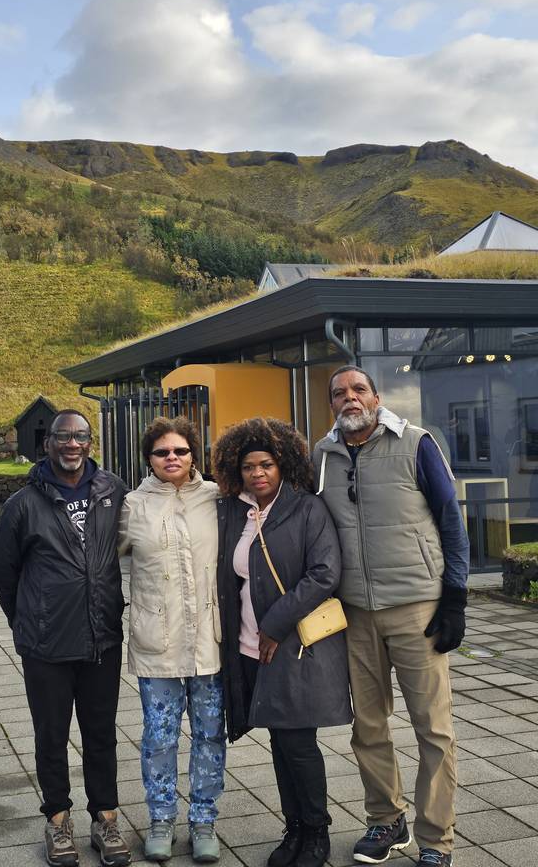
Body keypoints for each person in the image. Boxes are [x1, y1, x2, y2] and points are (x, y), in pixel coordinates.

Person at [313, 366, 470, 867]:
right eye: (339, 393)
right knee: (369, 727)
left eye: (358, 389)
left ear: (376, 397)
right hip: (355, 612)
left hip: (416, 607)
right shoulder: (322, 456)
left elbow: (451, 518)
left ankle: (435, 839)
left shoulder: (417, 443)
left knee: (434, 730)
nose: (349, 398)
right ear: (332, 404)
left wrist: (456, 597)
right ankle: (386, 819)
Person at [0, 409, 132, 867]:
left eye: (81, 437)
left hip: (101, 639)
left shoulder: (112, 492)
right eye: (63, 437)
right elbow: (3, 575)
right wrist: (31, 620)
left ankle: (105, 817)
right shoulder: (23, 504)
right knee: (51, 735)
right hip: (46, 646)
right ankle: (57, 820)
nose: (72, 445)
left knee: (101, 734)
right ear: (47, 443)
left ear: (91, 443)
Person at [213, 417, 352, 867]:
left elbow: (324, 573)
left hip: (293, 644)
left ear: (283, 464)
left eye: (267, 464)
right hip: (251, 647)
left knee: (298, 742)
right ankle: (293, 829)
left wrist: (274, 624)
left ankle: (316, 833)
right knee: (278, 740)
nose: (258, 473)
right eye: (250, 466)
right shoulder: (239, 512)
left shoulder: (306, 508)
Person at [119, 416, 225, 864]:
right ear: (149, 458)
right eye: (162, 452)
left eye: (180, 450)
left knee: (209, 735)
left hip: (209, 643)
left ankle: (204, 820)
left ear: (194, 454)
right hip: (156, 642)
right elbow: (99, 560)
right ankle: (161, 817)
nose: (172, 458)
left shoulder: (217, 498)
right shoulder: (132, 504)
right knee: (159, 737)